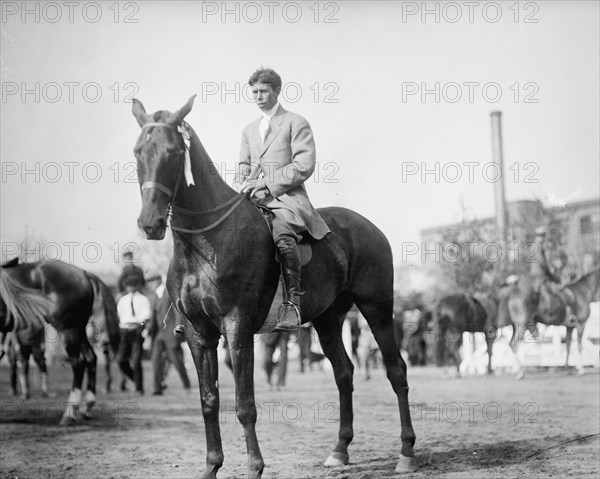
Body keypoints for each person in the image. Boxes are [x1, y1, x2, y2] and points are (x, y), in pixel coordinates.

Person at [234, 67, 330, 331]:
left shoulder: (295, 122)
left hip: (287, 199)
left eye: (263, 90)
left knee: (281, 234)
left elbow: (304, 165)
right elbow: (243, 163)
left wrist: (265, 182)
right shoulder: (249, 130)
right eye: (254, 91)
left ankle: (292, 305)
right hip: (254, 199)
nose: (258, 96)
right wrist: (240, 182)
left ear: (276, 91)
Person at [146, 275, 191, 395]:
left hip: (171, 333)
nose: (150, 284)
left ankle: (186, 383)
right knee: (155, 359)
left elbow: (177, 311)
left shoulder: (169, 291)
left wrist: (178, 329)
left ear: (158, 280)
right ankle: (157, 388)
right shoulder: (155, 295)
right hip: (159, 334)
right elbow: (154, 316)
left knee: (177, 361)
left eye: (152, 281)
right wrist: (148, 330)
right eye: (149, 282)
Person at [116, 284, 152, 395]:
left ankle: (139, 388)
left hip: (137, 330)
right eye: (128, 285)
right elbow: (119, 315)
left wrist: (139, 327)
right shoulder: (123, 300)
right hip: (125, 331)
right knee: (120, 360)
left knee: (136, 360)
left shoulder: (143, 299)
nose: (130, 287)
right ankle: (135, 381)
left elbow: (146, 318)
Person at [530, 226, 561, 293]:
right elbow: (541, 261)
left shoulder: (536, 245)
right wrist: (549, 270)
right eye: (542, 236)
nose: (543, 238)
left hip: (538, 272)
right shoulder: (537, 246)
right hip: (539, 273)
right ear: (539, 236)